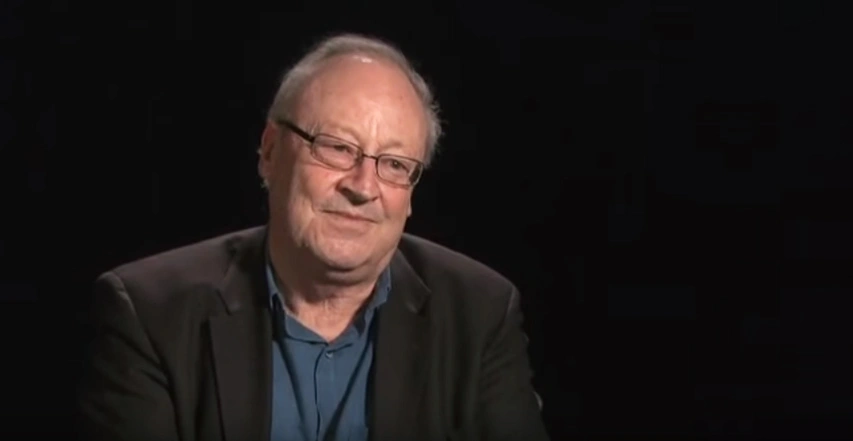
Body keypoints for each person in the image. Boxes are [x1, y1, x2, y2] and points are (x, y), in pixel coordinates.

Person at [75, 33, 549, 441]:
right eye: (337, 148)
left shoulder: (481, 313)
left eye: (394, 165)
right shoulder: (149, 314)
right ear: (269, 152)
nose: (364, 187)